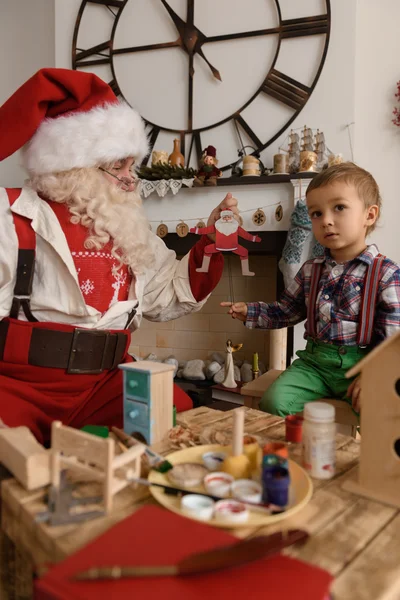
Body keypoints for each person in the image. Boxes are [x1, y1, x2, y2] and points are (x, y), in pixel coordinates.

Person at [0, 68, 239, 444]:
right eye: (118, 167)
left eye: (132, 167)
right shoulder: (10, 216)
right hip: (18, 388)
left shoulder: (128, 229)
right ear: (74, 167)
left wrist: (210, 243)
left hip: (103, 386)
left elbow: (167, 294)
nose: (131, 180)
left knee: (175, 429)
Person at [222, 162, 400, 416]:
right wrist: (250, 312)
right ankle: (286, 453)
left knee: (383, 411)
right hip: (313, 366)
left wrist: (376, 374)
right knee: (274, 402)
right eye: (316, 213)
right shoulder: (311, 269)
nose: (326, 221)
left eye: (339, 208)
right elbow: (286, 311)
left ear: (369, 215)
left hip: (363, 366)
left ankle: (363, 455)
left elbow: (394, 340)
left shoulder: (386, 273)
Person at [190, 208, 261, 276]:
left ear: (231, 217)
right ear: (221, 218)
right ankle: (204, 268)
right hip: (218, 246)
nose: (226, 219)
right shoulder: (217, 226)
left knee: (244, 252)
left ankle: (245, 271)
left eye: (228, 217)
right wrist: (197, 231)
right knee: (207, 249)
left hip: (234, 247)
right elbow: (206, 230)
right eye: (224, 217)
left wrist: (253, 238)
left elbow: (245, 235)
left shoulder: (236, 227)